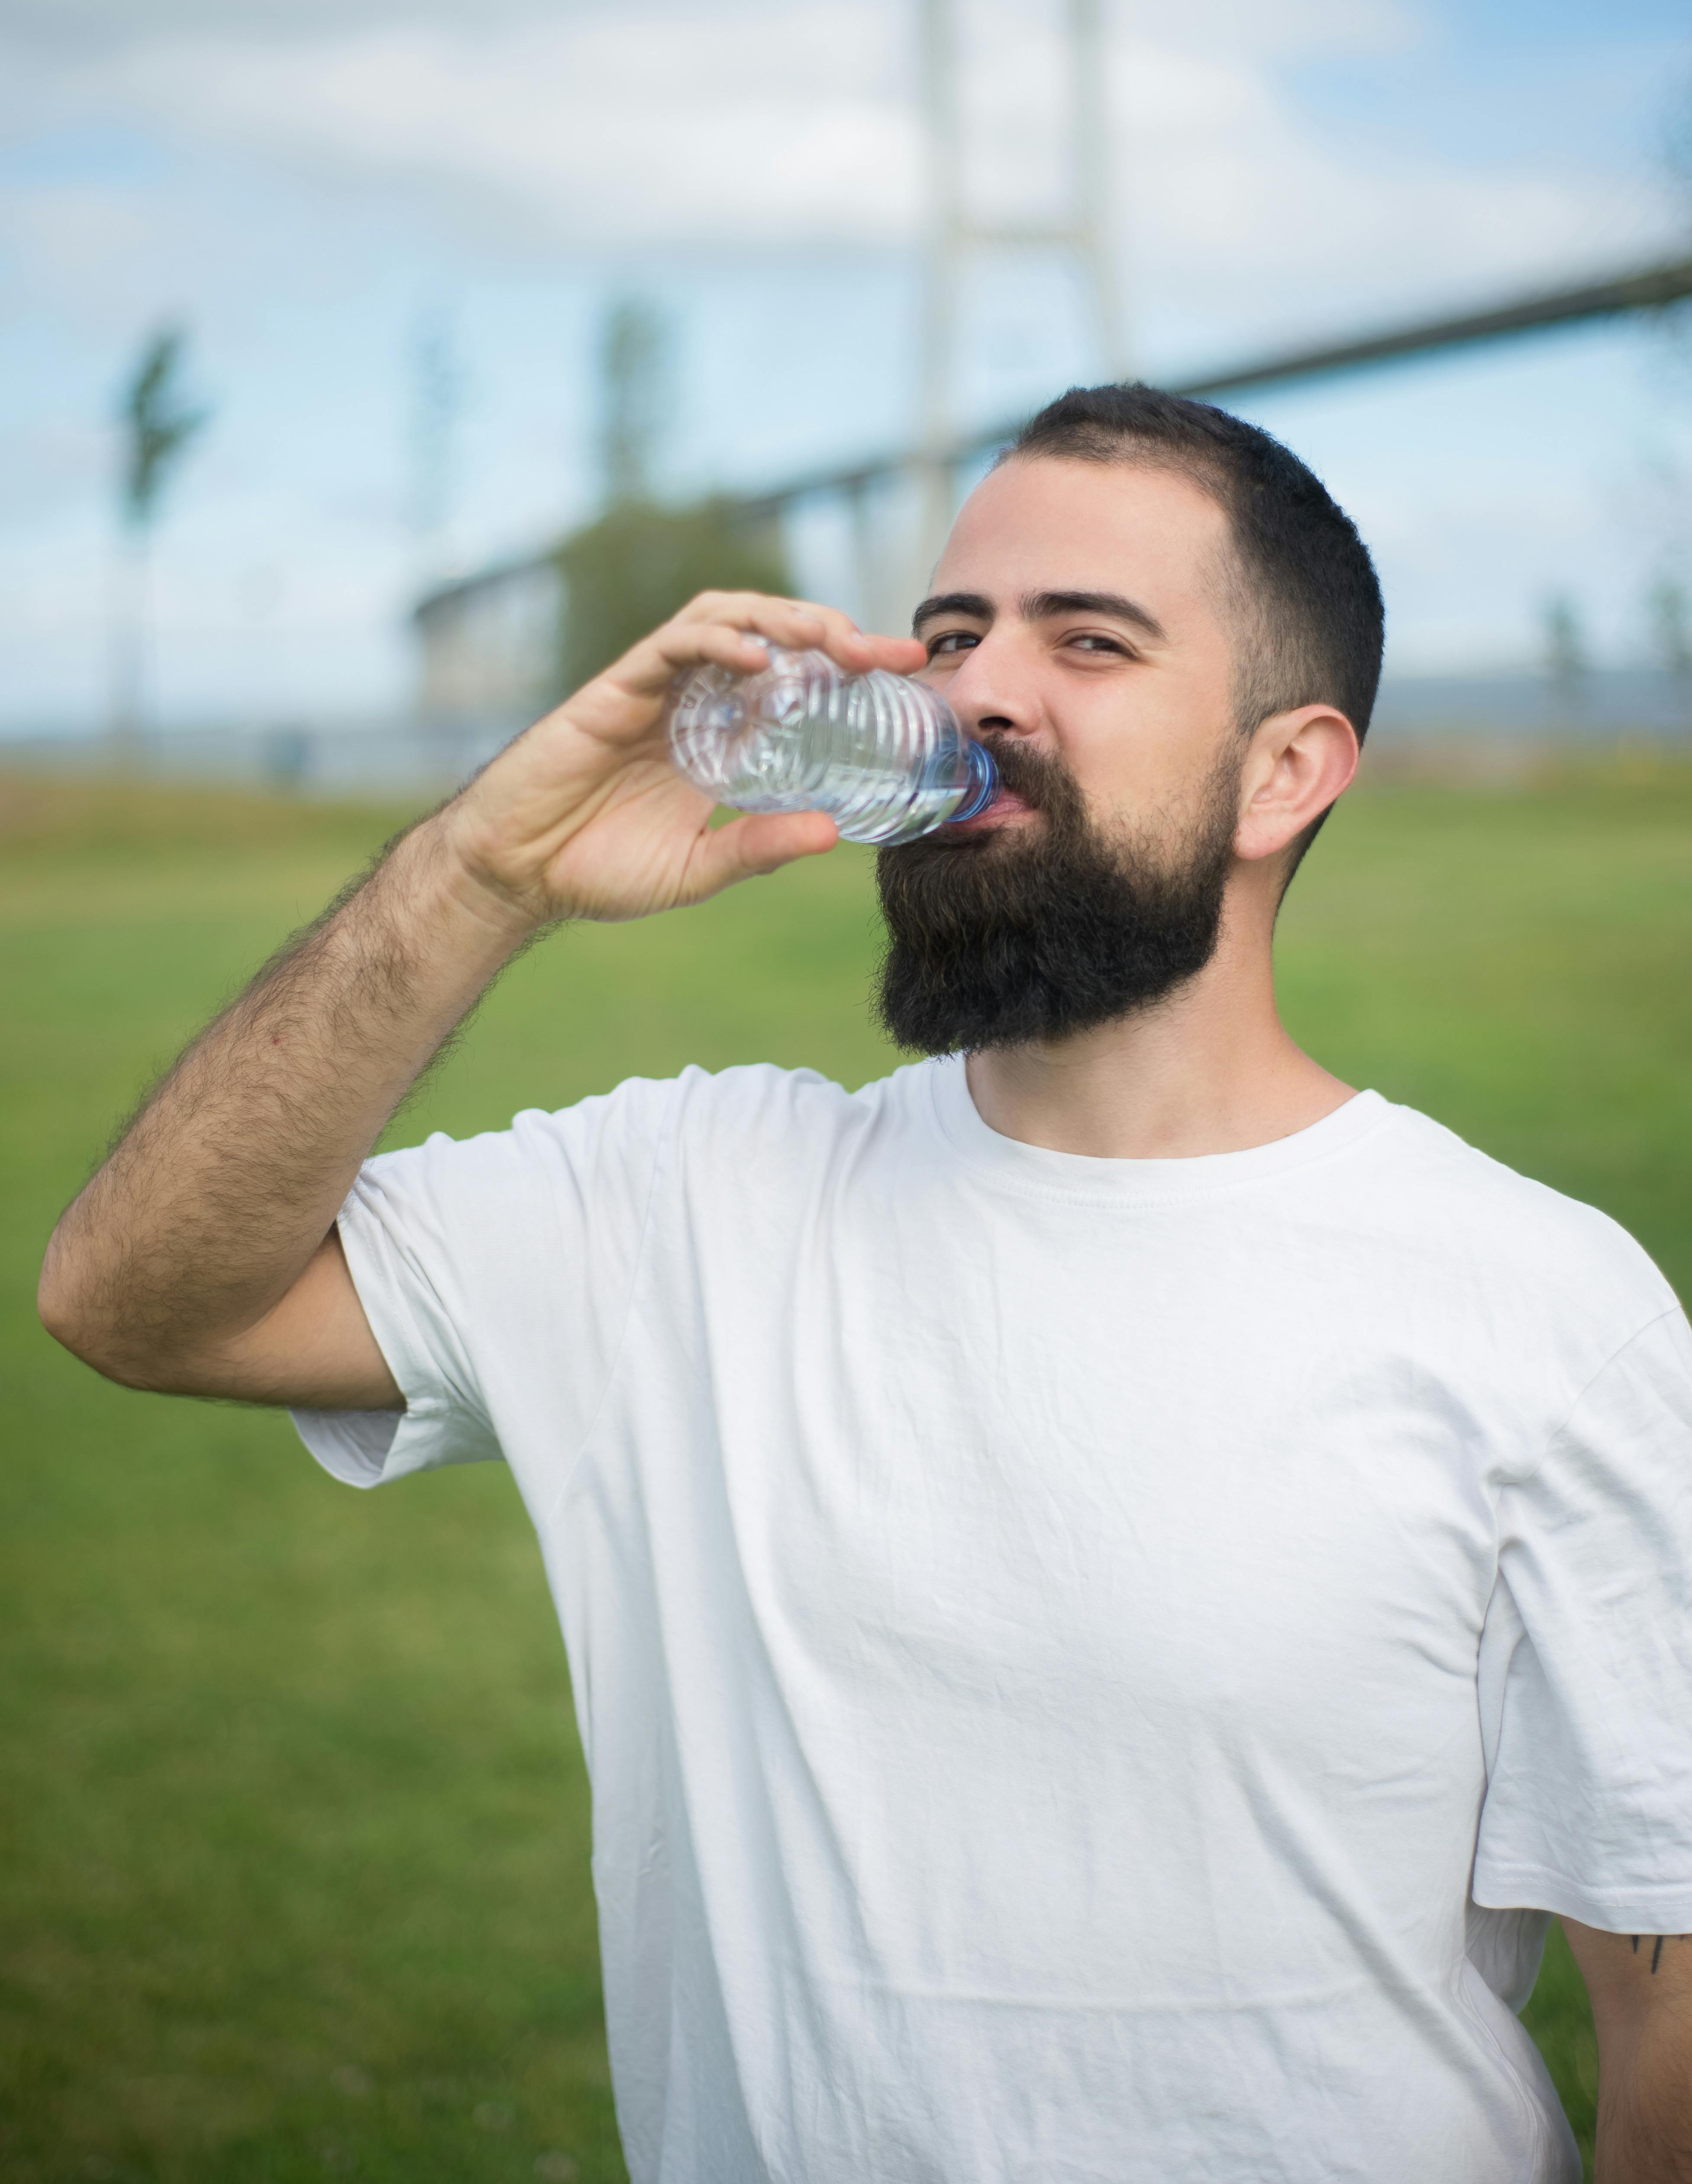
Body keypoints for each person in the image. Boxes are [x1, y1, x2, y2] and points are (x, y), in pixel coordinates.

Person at [39, 384, 1692, 2184]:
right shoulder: (683, 1201)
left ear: (1283, 771)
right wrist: (482, 869)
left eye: (1089, 640)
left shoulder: (1538, 1308)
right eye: (956, 630)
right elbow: (137, 1301)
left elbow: (1660, 2008)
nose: (977, 689)